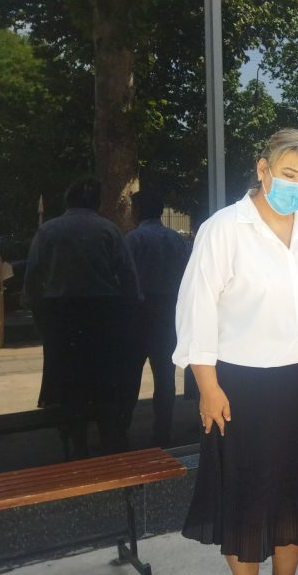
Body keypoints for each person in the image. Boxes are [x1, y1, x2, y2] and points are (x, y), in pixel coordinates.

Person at [173, 129, 298, 573]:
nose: (297, 185)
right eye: (289, 173)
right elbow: (197, 309)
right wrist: (207, 387)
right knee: (245, 495)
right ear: (263, 170)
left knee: (296, 492)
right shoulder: (224, 228)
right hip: (242, 386)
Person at [24, 177, 141, 456]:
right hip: (103, 314)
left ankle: (77, 443)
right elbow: (128, 276)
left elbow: (32, 278)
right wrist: (129, 315)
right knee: (104, 379)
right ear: (97, 202)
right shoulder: (108, 230)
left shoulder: (48, 230)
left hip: (62, 314)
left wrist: (40, 315)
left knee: (67, 380)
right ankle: (108, 438)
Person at [125, 188, 190, 447]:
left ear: (138, 211)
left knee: (130, 376)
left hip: (140, 312)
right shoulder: (176, 240)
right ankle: (162, 431)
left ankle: (121, 431)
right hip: (169, 312)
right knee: (165, 377)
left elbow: (125, 277)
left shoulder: (134, 239)